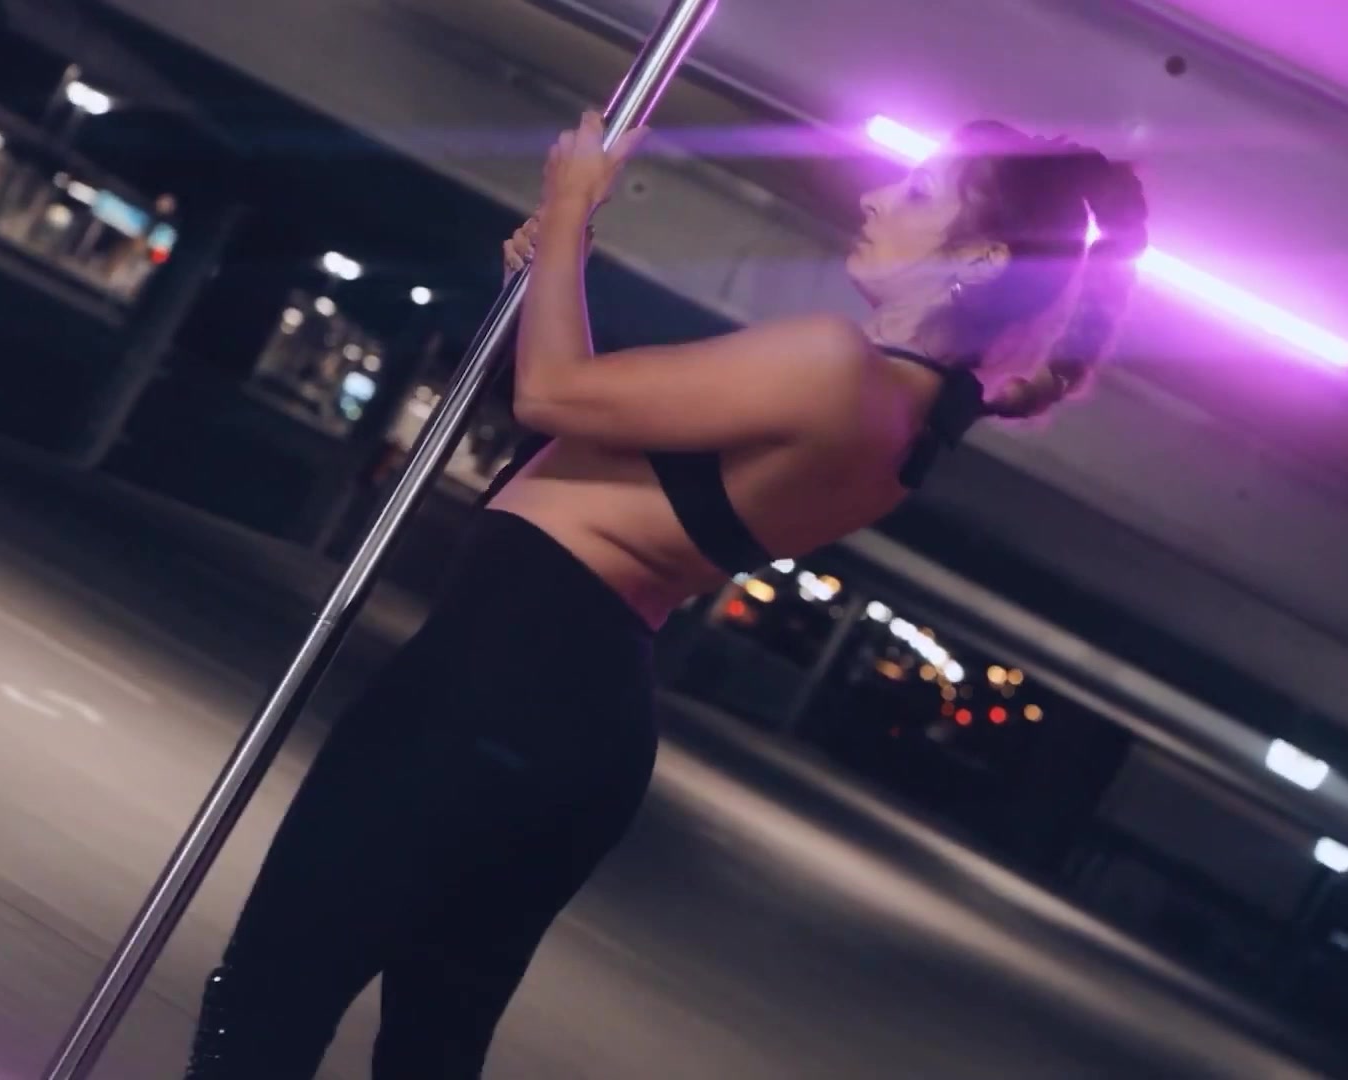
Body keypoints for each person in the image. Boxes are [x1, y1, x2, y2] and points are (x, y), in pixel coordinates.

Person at [185, 111, 1148, 1078]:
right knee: (427, 1054)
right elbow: (590, 414)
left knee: (269, 997)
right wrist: (554, 270)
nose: (873, 198)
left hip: (495, 688)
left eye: (918, 192)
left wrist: (571, 207)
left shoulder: (835, 367)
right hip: (573, 724)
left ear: (978, 259)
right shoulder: (910, 424)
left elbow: (554, 395)